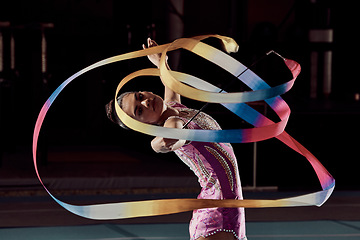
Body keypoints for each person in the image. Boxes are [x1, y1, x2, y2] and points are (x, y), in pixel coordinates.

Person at [106, 38, 247, 240]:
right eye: (140, 110)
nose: (146, 102)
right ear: (143, 124)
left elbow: (170, 81)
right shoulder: (171, 125)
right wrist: (162, 142)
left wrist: (161, 61)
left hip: (231, 208)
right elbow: (168, 139)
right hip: (216, 212)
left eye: (140, 96)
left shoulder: (175, 107)